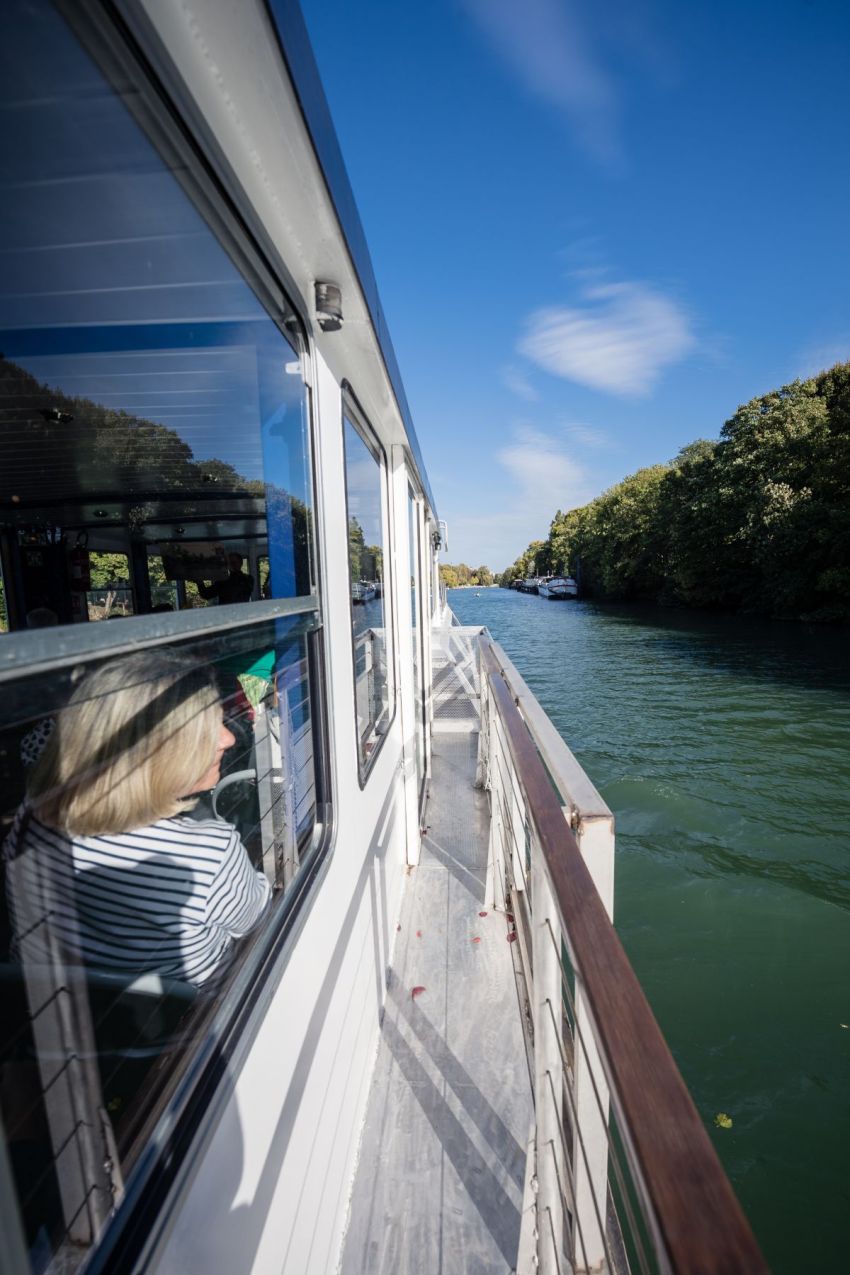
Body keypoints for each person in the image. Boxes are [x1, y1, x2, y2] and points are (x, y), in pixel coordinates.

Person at [2, 652, 270, 988]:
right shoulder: (210, 852)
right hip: (189, 1015)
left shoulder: (33, 814)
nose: (228, 739)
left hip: (49, 1007)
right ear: (151, 754)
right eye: (205, 729)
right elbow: (257, 921)